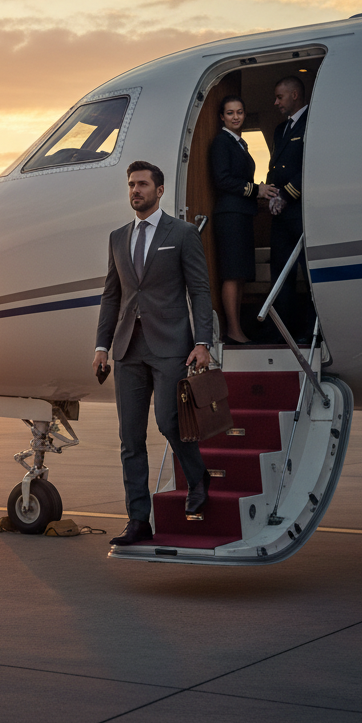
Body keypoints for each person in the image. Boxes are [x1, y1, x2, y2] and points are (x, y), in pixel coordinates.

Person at [92, 161, 214, 546]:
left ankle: (197, 477)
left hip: (170, 345)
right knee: (130, 438)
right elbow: (113, 297)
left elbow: (199, 290)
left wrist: (202, 342)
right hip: (128, 348)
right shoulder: (117, 237)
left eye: (143, 184)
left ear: (159, 190)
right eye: (131, 185)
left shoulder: (182, 233)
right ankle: (138, 519)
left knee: (168, 420)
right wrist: (101, 346)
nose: (136, 190)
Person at [208, 95, 278, 343]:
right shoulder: (221, 142)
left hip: (242, 212)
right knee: (232, 273)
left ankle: (237, 329)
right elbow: (223, 180)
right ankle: (233, 330)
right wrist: (255, 189)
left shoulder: (240, 143)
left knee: (239, 275)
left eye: (239, 112)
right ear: (222, 117)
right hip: (230, 214)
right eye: (230, 113)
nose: (235, 117)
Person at [267, 76, 314, 340]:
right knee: (280, 274)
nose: (275, 102)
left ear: (295, 95)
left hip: (301, 212)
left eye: (280, 97)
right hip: (281, 214)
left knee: (308, 275)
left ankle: (310, 331)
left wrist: (286, 194)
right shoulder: (279, 130)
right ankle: (281, 331)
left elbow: (309, 164)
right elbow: (276, 166)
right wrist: (272, 192)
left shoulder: (313, 122)